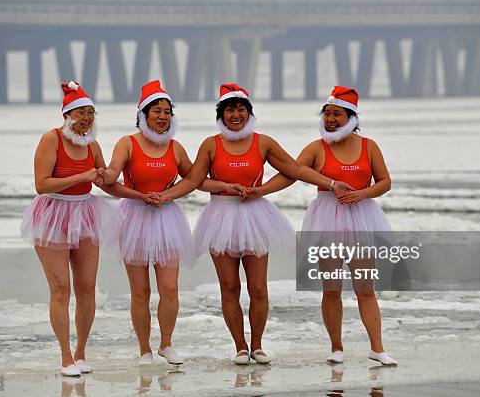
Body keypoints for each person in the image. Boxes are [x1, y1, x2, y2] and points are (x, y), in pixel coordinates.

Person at [155, 83, 351, 365]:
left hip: (255, 217)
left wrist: (329, 184)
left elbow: (293, 170)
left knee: (258, 287)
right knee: (230, 287)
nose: (236, 115)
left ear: (249, 112)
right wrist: (178, 193)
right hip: (220, 216)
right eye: (230, 110)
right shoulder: (211, 144)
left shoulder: (263, 142)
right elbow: (194, 180)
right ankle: (239, 346)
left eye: (241, 109)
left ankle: (257, 345)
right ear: (221, 114)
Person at [247, 86, 398, 366]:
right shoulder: (317, 148)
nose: (329, 119)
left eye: (336, 114)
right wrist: (262, 190)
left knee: (365, 288)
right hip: (328, 217)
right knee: (332, 288)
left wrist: (361, 194)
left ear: (351, 117)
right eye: (326, 114)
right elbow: (290, 173)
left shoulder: (369, 146)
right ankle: (336, 347)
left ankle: (377, 347)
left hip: (362, 216)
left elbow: (385, 182)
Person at [98, 80, 237, 365]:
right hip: (133, 218)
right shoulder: (128, 143)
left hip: (167, 218)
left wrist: (226, 185)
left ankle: (166, 344)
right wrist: (112, 179)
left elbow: (194, 179)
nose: (162, 116)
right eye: (156, 111)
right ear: (143, 115)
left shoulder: (175, 148)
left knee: (170, 288)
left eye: (167, 112)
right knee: (140, 291)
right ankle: (144, 350)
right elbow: (112, 176)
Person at [20, 81, 116, 376]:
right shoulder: (51, 140)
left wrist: (108, 176)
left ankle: (81, 352)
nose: (86, 119)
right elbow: (42, 184)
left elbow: (106, 179)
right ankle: (65, 357)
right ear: (67, 115)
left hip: (85, 213)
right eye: (80, 113)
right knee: (61, 287)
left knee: (87, 287)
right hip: (53, 214)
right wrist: (82, 176)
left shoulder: (93, 145)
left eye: (91, 113)